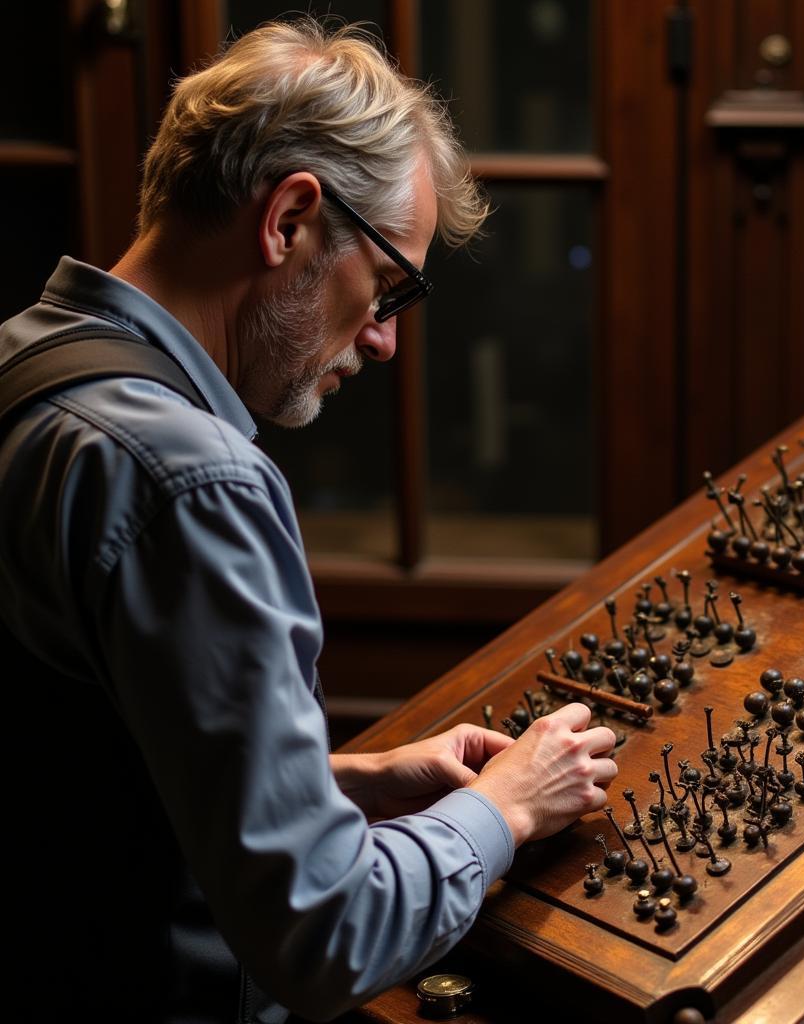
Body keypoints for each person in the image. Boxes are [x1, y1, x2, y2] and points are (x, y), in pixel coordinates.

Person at [0, 19, 617, 1024]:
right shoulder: (195, 481)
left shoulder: (25, 360)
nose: (380, 340)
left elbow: (87, 765)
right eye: (387, 288)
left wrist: (355, 780)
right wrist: (501, 811)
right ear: (290, 219)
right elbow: (325, 934)